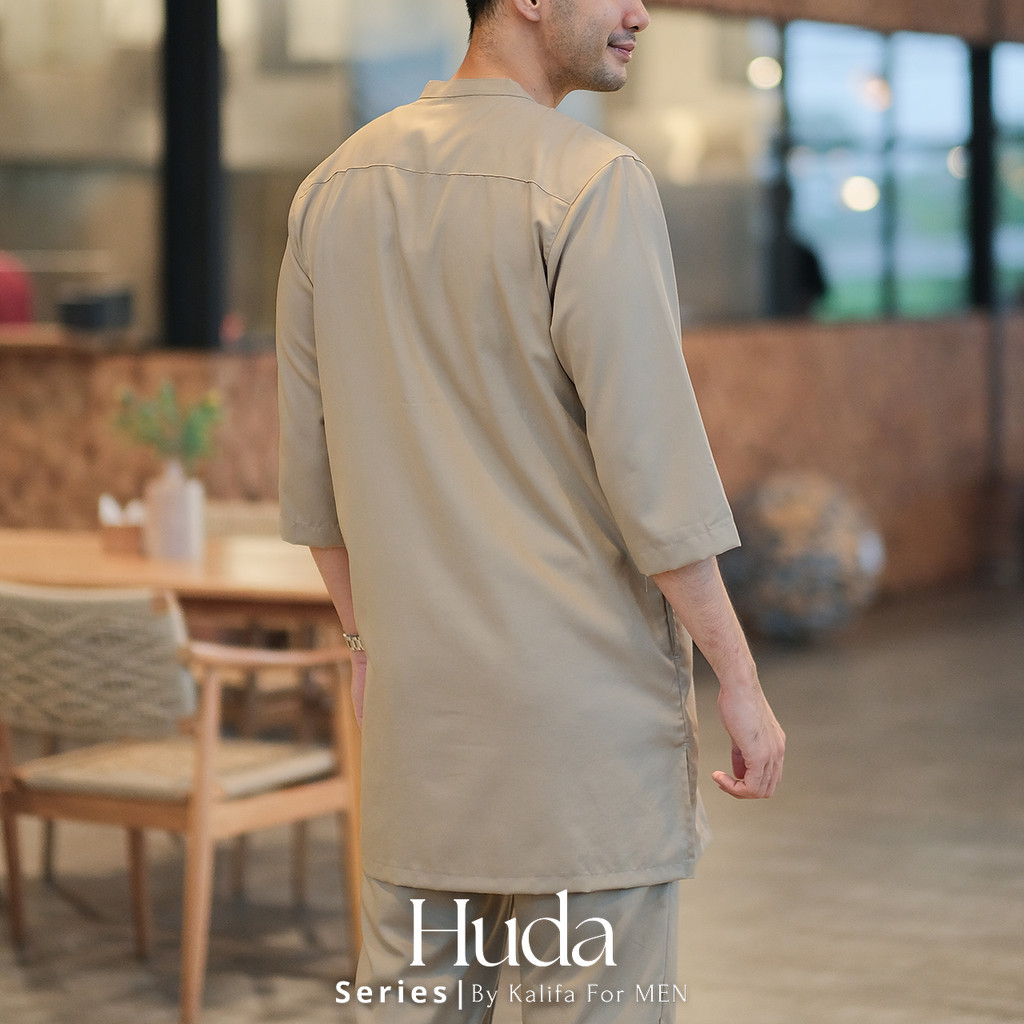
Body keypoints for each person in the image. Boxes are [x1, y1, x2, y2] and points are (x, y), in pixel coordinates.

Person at [276, 0, 785, 1019]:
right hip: (581, 746)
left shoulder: (329, 190)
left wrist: (364, 638)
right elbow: (654, 475)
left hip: (422, 739)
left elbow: (312, 479)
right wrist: (737, 674)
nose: (640, 12)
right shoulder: (591, 182)